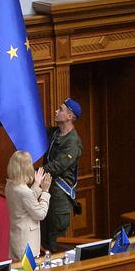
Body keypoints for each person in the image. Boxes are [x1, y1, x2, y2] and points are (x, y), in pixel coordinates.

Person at [41, 98, 83, 252]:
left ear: (69, 116)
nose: (56, 111)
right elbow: (35, 131)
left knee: (55, 242)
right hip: (46, 191)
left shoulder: (73, 142)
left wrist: (35, 174)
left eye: (60, 109)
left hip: (60, 196)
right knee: (43, 238)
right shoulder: (54, 133)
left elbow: (57, 166)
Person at [5, 151, 52, 261]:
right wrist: (45, 192)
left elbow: (26, 203)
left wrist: (36, 184)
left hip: (17, 240)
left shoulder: (10, 185)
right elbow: (40, 214)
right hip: (27, 243)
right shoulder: (24, 192)